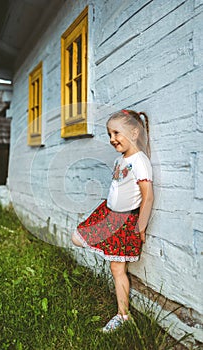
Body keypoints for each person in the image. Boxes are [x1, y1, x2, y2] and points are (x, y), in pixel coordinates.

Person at [72, 109, 154, 332]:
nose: (112, 139)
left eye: (116, 133)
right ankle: (106, 247)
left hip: (125, 220)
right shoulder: (121, 159)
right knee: (77, 238)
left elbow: (147, 197)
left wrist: (141, 226)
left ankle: (123, 316)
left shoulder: (140, 161)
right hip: (107, 214)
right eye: (109, 134)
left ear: (134, 132)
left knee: (117, 269)